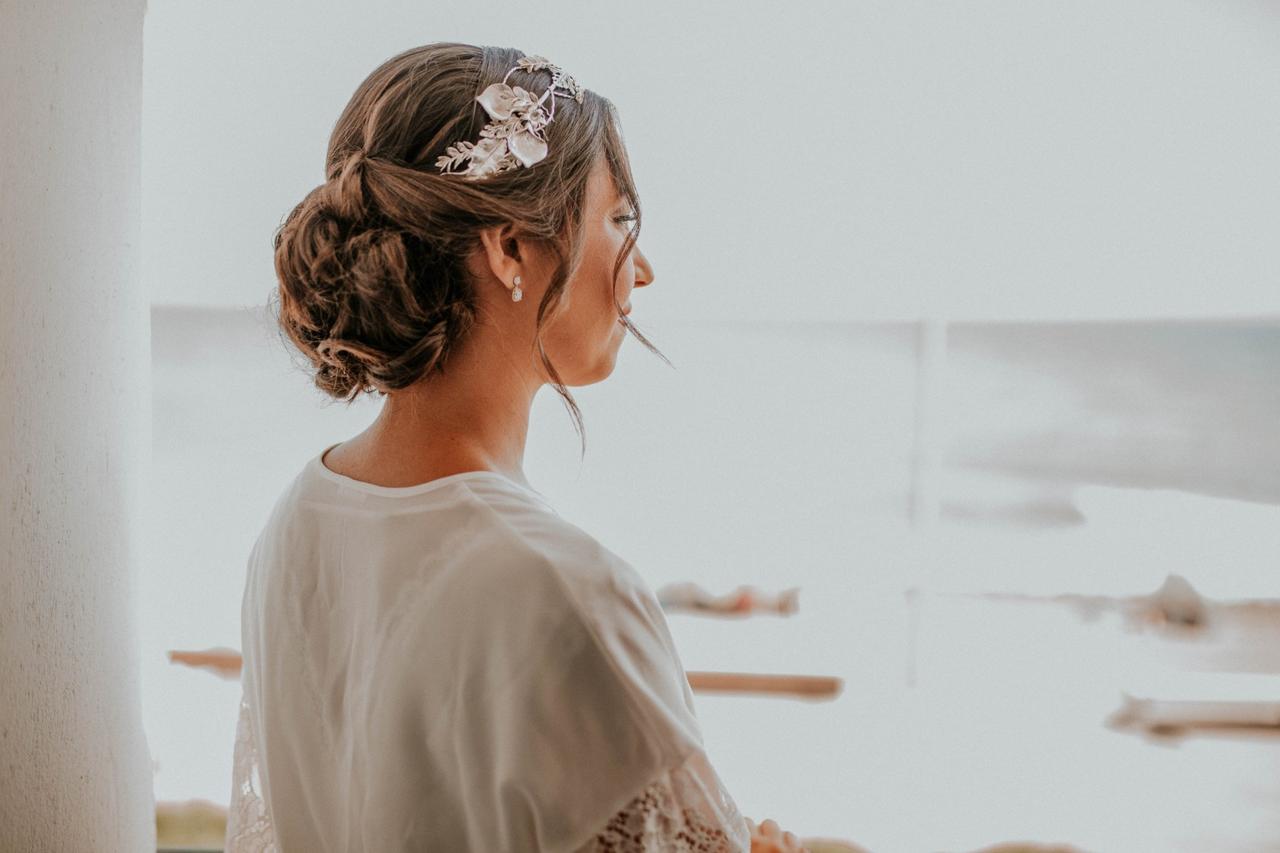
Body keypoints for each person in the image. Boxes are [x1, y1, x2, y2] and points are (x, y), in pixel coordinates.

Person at [226, 42, 809, 853]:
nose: (642, 269)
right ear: (509, 249)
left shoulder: (295, 522)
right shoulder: (568, 593)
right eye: (618, 220)